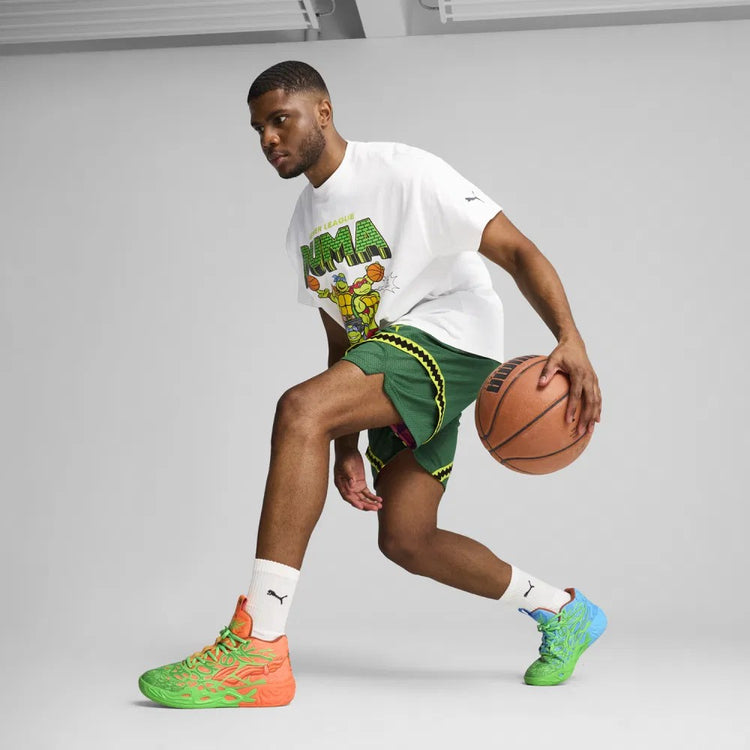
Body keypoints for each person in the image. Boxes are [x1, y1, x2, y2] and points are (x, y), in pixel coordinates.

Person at [138, 60, 605, 709]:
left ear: (323, 112)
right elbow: (342, 339)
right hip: (389, 355)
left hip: (449, 339)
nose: (269, 138)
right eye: (259, 129)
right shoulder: (304, 225)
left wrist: (570, 339)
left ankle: (259, 646)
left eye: (280, 120)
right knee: (408, 539)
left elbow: (517, 249)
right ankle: (563, 611)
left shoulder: (405, 172)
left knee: (298, 408)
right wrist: (344, 443)